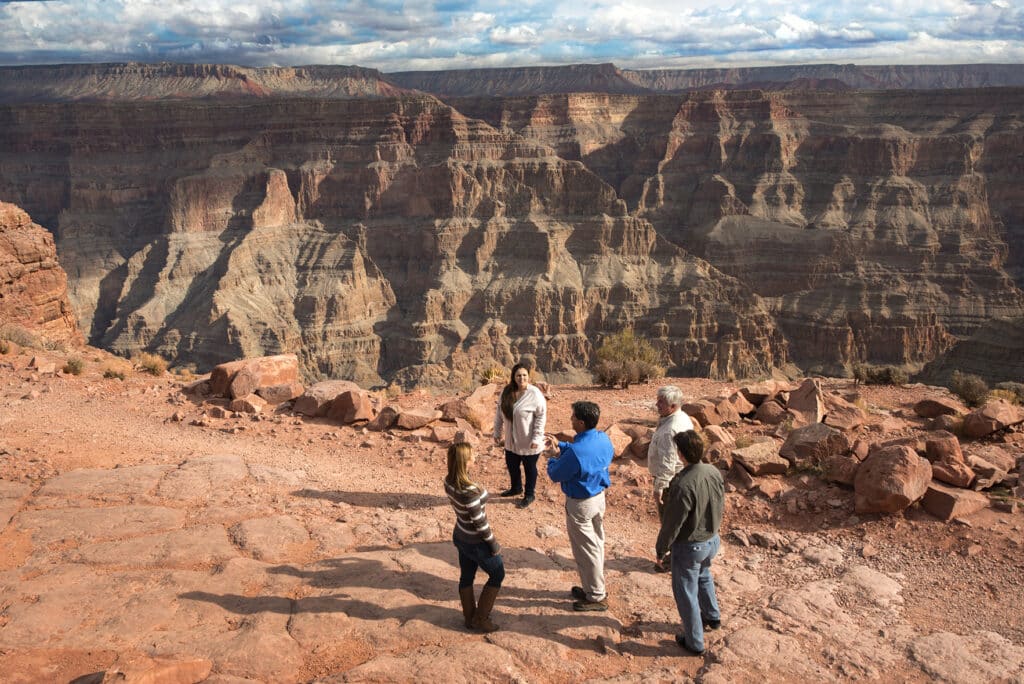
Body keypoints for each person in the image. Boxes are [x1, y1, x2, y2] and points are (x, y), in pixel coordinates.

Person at [655, 430, 724, 656]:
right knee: (704, 576)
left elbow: (672, 523)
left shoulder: (683, 483)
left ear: (681, 454)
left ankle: (694, 642)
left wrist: (661, 550)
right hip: (711, 539)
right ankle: (712, 616)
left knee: (686, 593)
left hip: (690, 545)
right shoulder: (713, 471)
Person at [543, 400, 613, 611]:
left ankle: (596, 596)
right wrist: (561, 445)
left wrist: (552, 457)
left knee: (585, 550)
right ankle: (594, 587)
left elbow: (556, 474)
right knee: (596, 544)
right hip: (598, 498)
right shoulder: (603, 438)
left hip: (580, 504)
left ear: (581, 422)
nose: (570, 419)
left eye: (573, 417)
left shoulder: (576, 452)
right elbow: (580, 452)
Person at [444, 441, 505, 632]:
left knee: (467, 575)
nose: (475, 457)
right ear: (465, 461)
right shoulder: (470, 492)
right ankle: (481, 619)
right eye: (472, 455)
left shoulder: (449, 481)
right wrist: (493, 544)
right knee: (497, 574)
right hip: (476, 541)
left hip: (461, 535)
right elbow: (480, 523)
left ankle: (469, 617)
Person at [647, 385, 695, 572]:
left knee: (669, 523)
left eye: (662, 402)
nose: (657, 404)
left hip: (670, 482)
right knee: (678, 521)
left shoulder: (670, 428)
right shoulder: (681, 417)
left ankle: (670, 561)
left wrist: (659, 487)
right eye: (658, 400)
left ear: (673, 405)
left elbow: (668, 462)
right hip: (681, 478)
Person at [493, 362, 547, 508]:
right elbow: (499, 413)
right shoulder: (506, 392)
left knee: (530, 468)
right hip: (511, 441)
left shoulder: (535, 394)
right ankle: (516, 488)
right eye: (518, 375)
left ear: (528, 377)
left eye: (524, 375)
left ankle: (529, 494)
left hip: (528, 441)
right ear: (513, 377)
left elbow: (541, 417)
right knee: (512, 465)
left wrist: (536, 437)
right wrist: (497, 432)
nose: (521, 378)